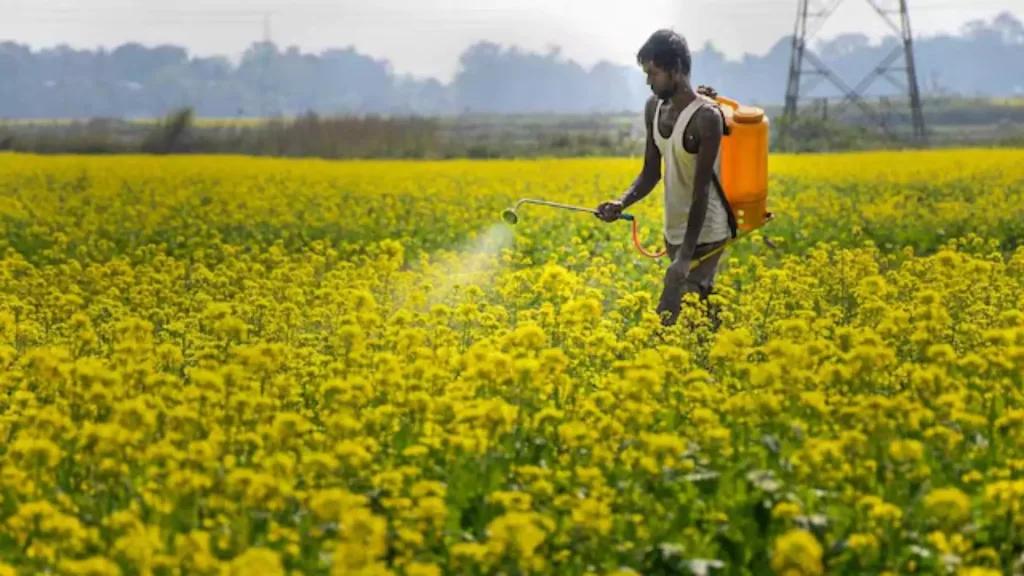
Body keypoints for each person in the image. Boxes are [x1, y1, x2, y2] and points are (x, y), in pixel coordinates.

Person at [595, 29, 736, 327]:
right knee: (700, 318)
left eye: (653, 73)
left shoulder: (706, 118)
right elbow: (650, 172)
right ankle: (725, 357)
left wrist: (684, 257)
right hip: (674, 232)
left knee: (670, 317)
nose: (649, 82)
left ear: (676, 69)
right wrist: (621, 202)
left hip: (706, 235)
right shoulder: (654, 108)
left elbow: (701, 193)